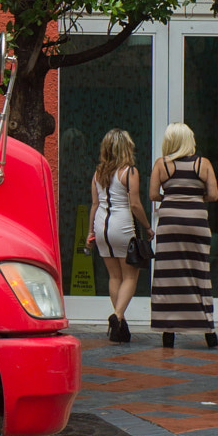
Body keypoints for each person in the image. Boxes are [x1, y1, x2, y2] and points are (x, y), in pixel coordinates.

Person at [149, 122, 218, 349]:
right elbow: (214, 195)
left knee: (168, 276)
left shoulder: (162, 165)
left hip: (169, 223)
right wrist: (194, 197)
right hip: (196, 222)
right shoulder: (204, 164)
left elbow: (152, 194)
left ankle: (168, 333)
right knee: (199, 273)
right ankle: (209, 332)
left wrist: (171, 197)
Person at [88, 129, 149, 344]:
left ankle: (119, 328)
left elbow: (95, 204)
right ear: (126, 148)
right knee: (130, 277)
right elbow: (134, 204)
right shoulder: (129, 171)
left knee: (114, 277)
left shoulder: (98, 172)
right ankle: (118, 316)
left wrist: (90, 232)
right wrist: (148, 227)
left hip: (101, 226)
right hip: (122, 225)